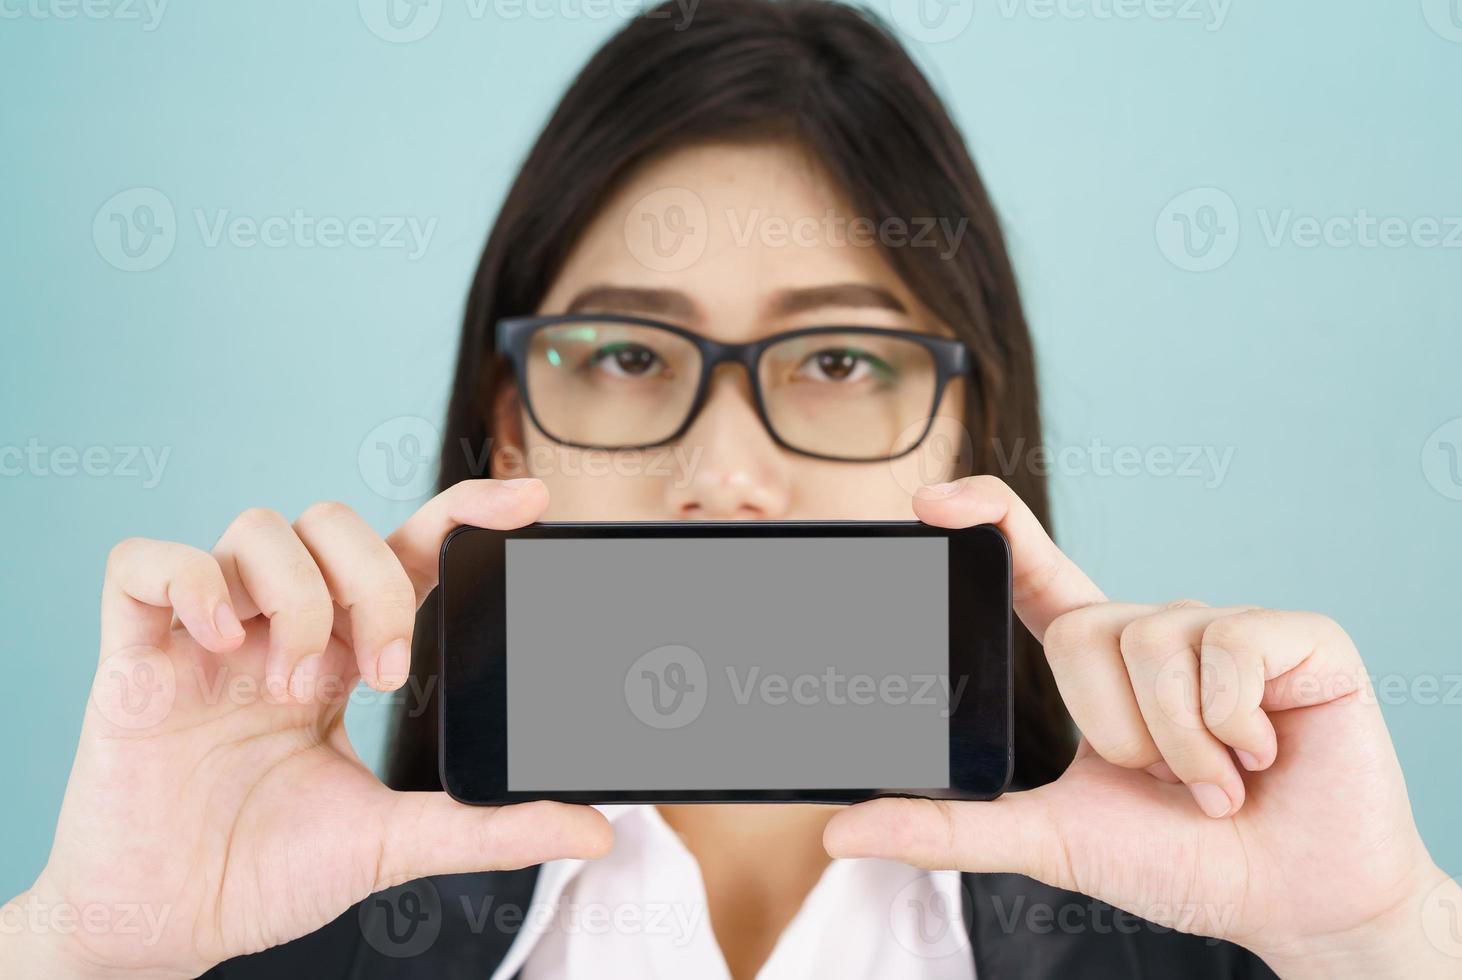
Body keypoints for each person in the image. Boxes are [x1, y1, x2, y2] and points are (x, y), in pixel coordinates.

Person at [4, 1, 1456, 977]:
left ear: (966, 440)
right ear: (510, 433)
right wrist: (88, 942)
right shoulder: (262, 934)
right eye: (628, 352)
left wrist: (1383, 936)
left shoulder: (1215, 944)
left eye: (836, 359)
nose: (724, 478)